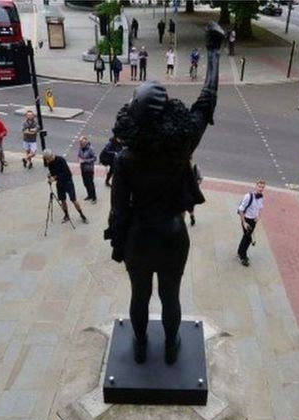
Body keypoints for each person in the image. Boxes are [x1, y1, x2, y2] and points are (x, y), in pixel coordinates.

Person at [104, 22, 224, 365]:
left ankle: (140, 346)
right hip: (172, 234)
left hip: (139, 238)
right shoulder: (182, 143)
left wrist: (117, 242)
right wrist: (213, 52)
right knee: (171, 296)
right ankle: (171, 348)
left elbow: (119, 210)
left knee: (139, 295)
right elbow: (206, 101)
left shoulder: (126, 158)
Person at [43, 150, 89, 224]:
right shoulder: (50, 163)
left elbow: (66, 173)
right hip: (59, 183)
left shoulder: (61, 160)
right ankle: (66, 215)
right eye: (46, 159)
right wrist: (50, 176)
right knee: (62, 200)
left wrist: (55, 178)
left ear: (51, 156)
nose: (47, 161)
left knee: (73, 200)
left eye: (48, 159)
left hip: (68, 182)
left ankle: (82, 215)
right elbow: (53, 173)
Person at [236, 180, 266, 267]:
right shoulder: (248, 196)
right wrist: (244, 222)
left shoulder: (261, 197)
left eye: (263, 187)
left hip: (253, 220)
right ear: (256, 186)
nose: (261, 189)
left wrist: (258, 216)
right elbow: (241, 209)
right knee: (248, 238)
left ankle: (239, 252)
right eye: (259, 186)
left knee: (246, 237)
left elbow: (259, 208)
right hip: (247, 220)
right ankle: (243, 256)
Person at [77, 136, 97, 203]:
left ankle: (94, 198)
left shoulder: (90, 149)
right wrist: (79, 159)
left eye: (82, 143)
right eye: (80, 143)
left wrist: (85, 161)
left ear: (85, 143)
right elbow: (79, 155)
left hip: (89, 169)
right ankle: (89, 195)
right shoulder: (80, 148)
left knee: (90, 183)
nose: (80, 145)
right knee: (85, 183)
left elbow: (94, 158)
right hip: (83, 168)